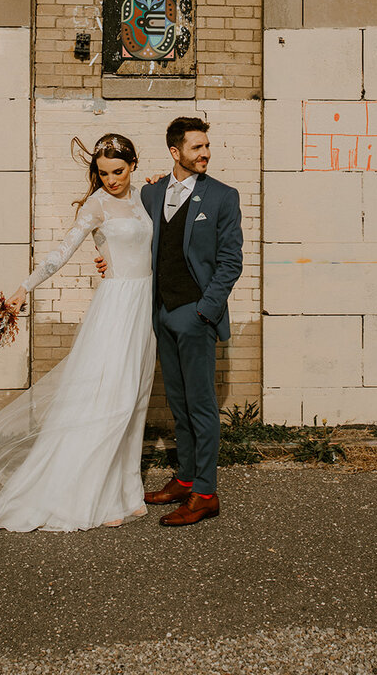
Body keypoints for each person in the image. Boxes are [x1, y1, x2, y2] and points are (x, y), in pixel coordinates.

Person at [0, 133, 156, 533]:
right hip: (116, 307)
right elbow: (62, 251)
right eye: (103, 173)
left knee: (133, 397)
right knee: (107, 399)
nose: (111, 180)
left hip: (143, 305)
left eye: (118, 171)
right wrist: (23, 288)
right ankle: (88, 494)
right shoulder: (96, 205)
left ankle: (125, 490)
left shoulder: (144, 198)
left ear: (132, 165)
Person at [97, 116, 243, 527]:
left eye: (207, 146)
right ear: (175, 152)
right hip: (159, 313)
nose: (206, 154)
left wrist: (204, 311)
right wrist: (105, 255)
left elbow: (231, 262)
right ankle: (184, 478)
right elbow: (126, 231)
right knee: (178, 405)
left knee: (201, 407)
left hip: (195, 314)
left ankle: (205, 493)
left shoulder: (222, 197)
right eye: (197, 148)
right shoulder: (151, 191)